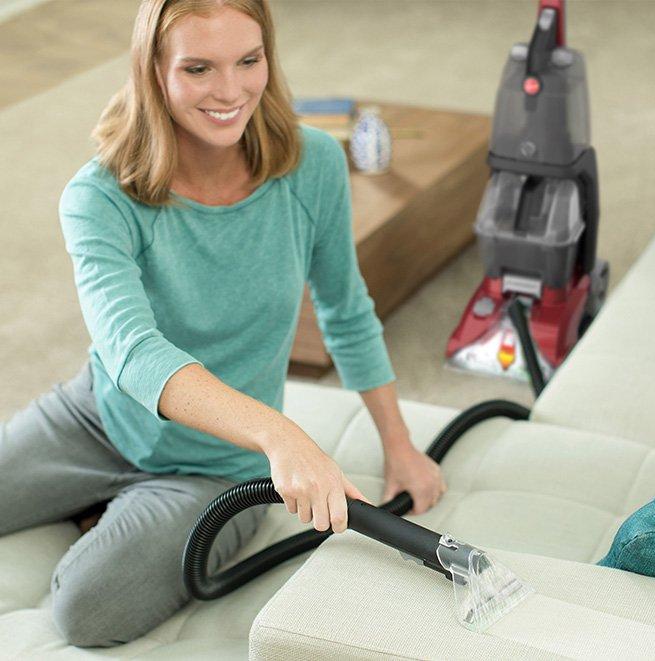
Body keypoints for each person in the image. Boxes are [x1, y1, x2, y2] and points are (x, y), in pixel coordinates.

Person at [0, 0, 446, 649]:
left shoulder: (313, 165)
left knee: (86, 610)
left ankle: (108, 516)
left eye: (249, 60)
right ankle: (100, 501)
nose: (230, 90)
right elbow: (132, 351)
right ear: (153, 69)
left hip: (217, 466)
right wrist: (282, 434)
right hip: (96, 418)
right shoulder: (97, 197)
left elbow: (345, 308)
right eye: (199, 68)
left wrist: (399, 444)